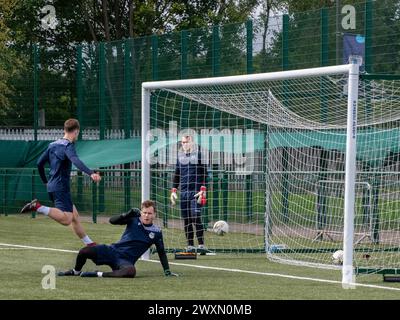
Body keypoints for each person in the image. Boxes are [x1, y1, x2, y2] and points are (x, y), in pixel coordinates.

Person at [20, 118, 101, 246]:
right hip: (61, 187)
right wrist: (91, 173)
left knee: (74, 216)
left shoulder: (52, 145)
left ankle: (89, 244)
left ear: (64, 130)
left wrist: (45, 182)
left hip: (52, 186)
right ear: (76, 132)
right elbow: (75, 160)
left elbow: (39, 163)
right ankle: (38, 207)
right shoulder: (68, 146)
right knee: (67, 219)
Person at [57, 200, 178, 278]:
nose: (146, 215)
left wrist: (167, 271)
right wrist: (127, 214)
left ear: (155, 214)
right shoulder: (133, 218)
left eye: (149, 213)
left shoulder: (156, 232)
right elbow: (112, 221)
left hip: (125, 260)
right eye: (144, 212)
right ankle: (76, 271)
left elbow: (161, 252)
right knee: (84, 251)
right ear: (141, 212)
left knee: (130, 271)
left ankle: (97, 274)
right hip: (113, 250)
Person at [170, 135, 208, 252]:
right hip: (184, 193)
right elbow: (177, 175)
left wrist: (203, 189)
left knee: (195, 217)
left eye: (187, 142)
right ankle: (190, 245)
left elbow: (205, 174)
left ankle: (201, 245)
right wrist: (173, 190)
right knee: (187, 219)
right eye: (183, 142)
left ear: (192, 143)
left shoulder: (199, 156)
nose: (184, 144)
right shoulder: (180, 157)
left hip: (196, 193)